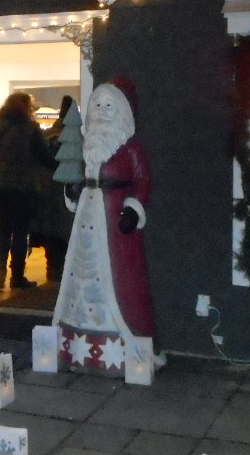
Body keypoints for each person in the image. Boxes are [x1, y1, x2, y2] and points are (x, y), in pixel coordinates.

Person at [53, 77, 160, 375]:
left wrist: (133, 207)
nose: (101, 110)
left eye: (108, 105)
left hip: (114, 222)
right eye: (97, 104)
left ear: (122, 111)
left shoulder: (130, 148)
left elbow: (143, 180)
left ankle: (128, 346)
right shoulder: (90, 145)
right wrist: (73, 192)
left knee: (121, 278)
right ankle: (81, 347)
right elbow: (83, 175)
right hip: (88, 218)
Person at [0, 92, 56, 290]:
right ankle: (17, 277)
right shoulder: (30, 128)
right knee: (20, 232)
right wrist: (58, 165)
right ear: (26, 107)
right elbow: (44, 157)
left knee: (2, 229)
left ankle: (0, 272)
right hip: (23, 187)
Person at [29, 95, 75, 283]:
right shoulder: (78, 136)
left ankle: (52, 268)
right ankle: (63, 269)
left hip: (47, 190)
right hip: (67, 190)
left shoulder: (48, 135)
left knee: (51, 231)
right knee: (66, 230)